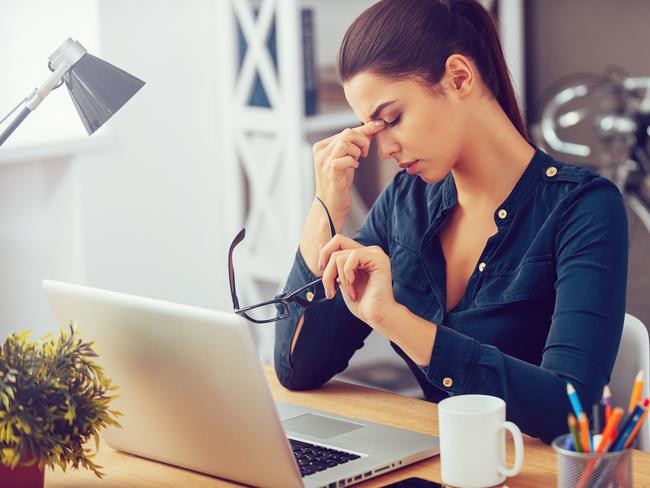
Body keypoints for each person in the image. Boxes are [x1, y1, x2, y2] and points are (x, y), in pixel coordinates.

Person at [273, 0, 628, 443]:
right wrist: (327, 206)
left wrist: (394, 320)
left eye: (393, 118)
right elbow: (297, 369)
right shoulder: (405, 201)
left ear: (459, 77)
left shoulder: (583, 208)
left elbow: (567, 406)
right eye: (372, 128)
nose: (384, 149)